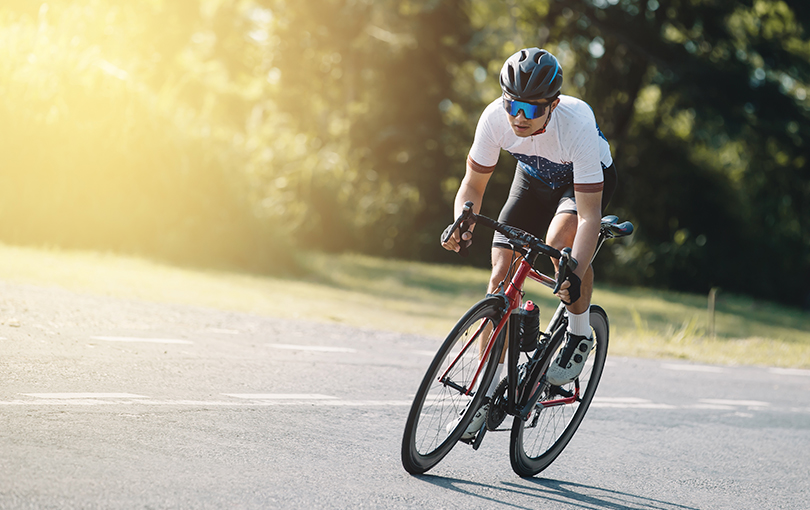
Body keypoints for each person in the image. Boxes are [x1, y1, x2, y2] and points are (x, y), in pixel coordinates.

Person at [441, 47, 617, 439]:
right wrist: (461, 218)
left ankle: (577, 333)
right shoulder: (494, 119)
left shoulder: (577, 125)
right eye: (513, 105)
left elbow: (589, 215)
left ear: (552, 106)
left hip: (579, 187)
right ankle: (481, 398)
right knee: (500, 275)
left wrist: (574, 264)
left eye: (532, 109)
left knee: (558, 254)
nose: (519, 117)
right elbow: (472, 185)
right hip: (533, 180)